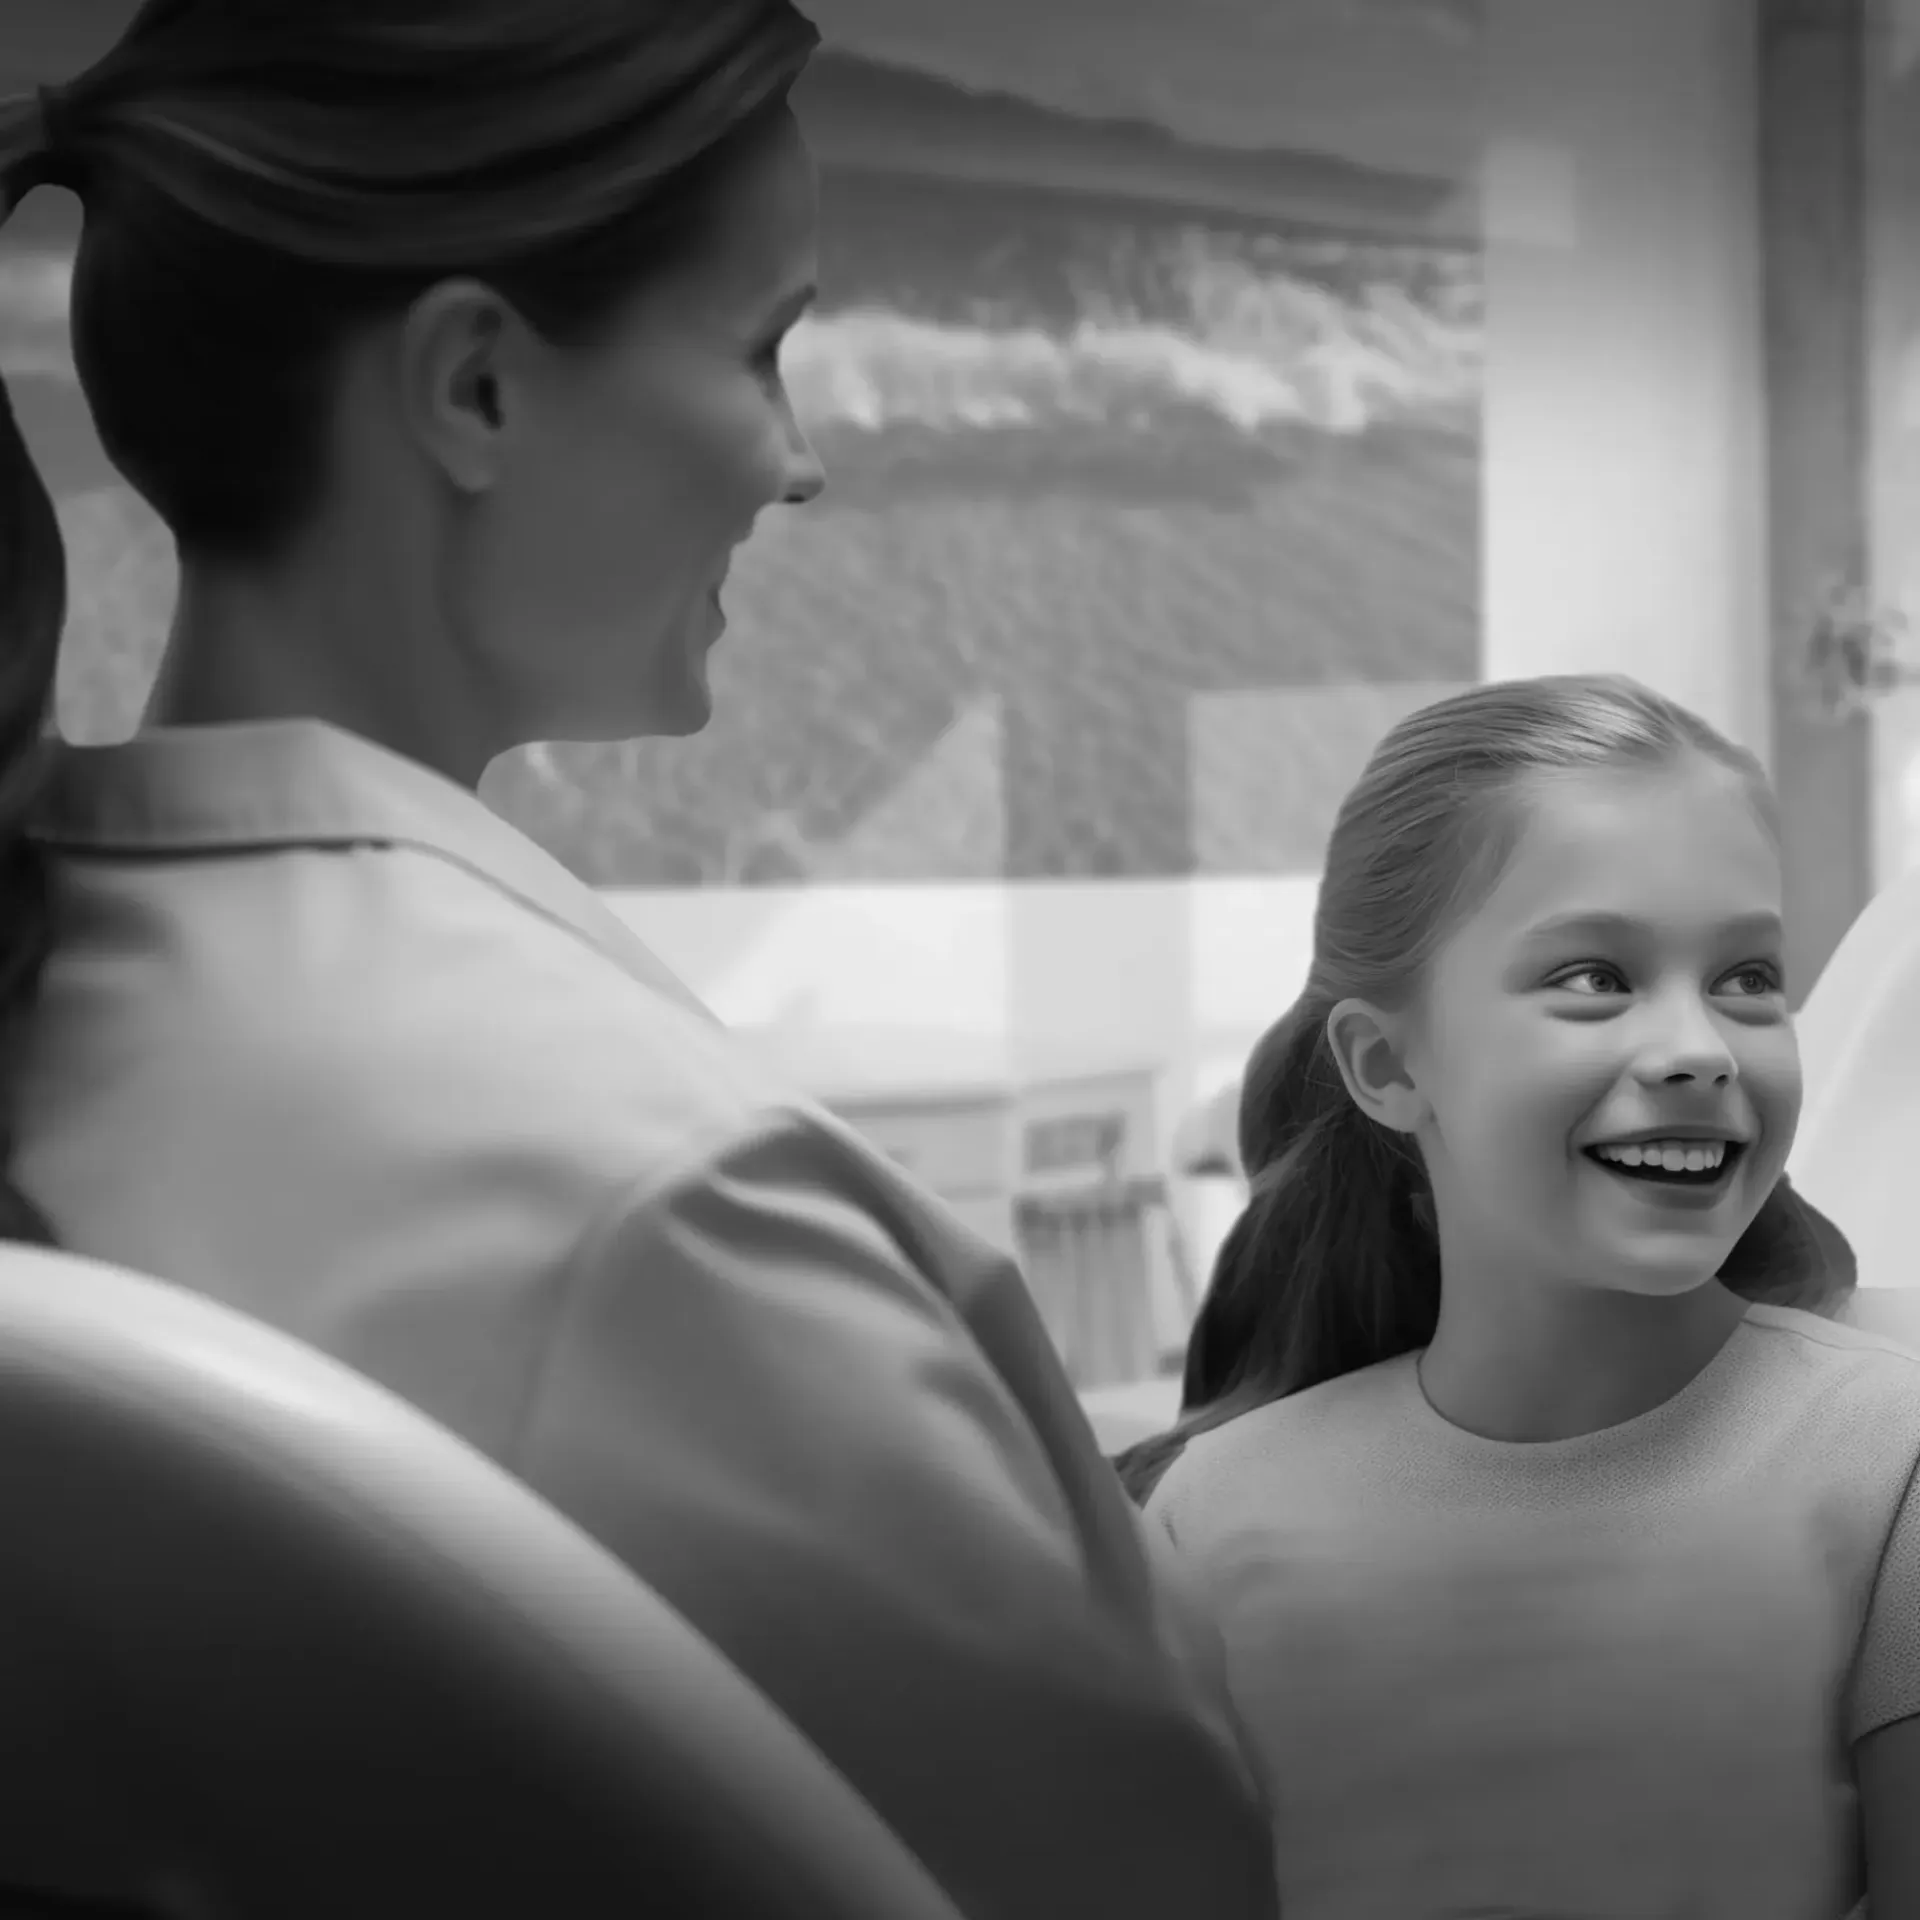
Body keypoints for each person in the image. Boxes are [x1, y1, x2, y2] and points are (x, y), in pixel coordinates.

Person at [0, 6, 1278, 1916]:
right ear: (477, 392)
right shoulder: (667, 1212)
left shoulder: (74, 968)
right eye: (762, 347)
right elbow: (1152, 1871)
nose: (800, 461)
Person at [1115, 675, 1916, 1918]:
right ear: (1388, 1066)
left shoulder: (1892, 1460)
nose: (1701, 1044)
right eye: (1596, 976)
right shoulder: (1209, 1521)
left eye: (1749, 977)